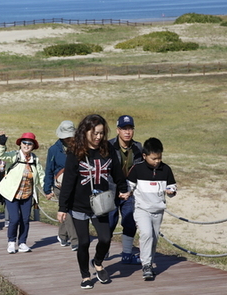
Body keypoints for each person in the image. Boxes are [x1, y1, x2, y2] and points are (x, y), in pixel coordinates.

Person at [57, 114, 129, 290]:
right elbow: (68, 182)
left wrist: (122, 188)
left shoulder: (108, 149)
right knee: (83, 242)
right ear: (86, 131)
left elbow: (117, 171)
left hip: (100, 203)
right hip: (79, 205)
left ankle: (97, 262)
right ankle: (85, 276)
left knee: (105, 238)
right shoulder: (76, 151)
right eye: (95, 133)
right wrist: (62, 208)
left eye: (101, 133)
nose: (98, 137)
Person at [127, 137, 177, 280]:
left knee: (154, 239)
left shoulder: (166, 169)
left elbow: (172, 186)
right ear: (144, 156)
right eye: (154, 158)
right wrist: (125, 192)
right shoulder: (137, 169)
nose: (157, 161)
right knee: (146, 234)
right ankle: (146, 266)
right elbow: (128, 186)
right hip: (142, 209)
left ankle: (149, 261)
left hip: (158, 210)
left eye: (159, 158)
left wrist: (171, 191)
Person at [0, 132, 45, 254]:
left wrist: (47, 189)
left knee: (25, 219)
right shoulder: (14, 155)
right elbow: (0, 155)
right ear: (20, 144)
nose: (27, 145)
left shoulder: (35, 159)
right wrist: (2, 143)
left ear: (33, 146)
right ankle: (11, 242)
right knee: (15, 219)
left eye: (30, 143)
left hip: (27, 194)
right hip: (13, 194)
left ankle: (22, 242)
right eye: (24, 143)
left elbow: (41, 175)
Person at [109, 115, 143, 264]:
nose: (127, 132)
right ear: (118, 130)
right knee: (109, 223)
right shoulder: (108, 146)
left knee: (129, 222)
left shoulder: (138, 148)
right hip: (111, 191)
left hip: (130, 192)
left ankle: (127, 254)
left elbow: (141, 170)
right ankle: (104, 250)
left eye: (130, 128)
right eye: (124, 129)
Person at [44, 120, 78, 251]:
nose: (69, 139)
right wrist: (47, 189)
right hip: (59, 187)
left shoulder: (77, 148)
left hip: (74, 185)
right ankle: (75, 240)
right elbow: (49, 170)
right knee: (68, 211)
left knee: (70, 211)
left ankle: (62, 235)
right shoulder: (53, 150)